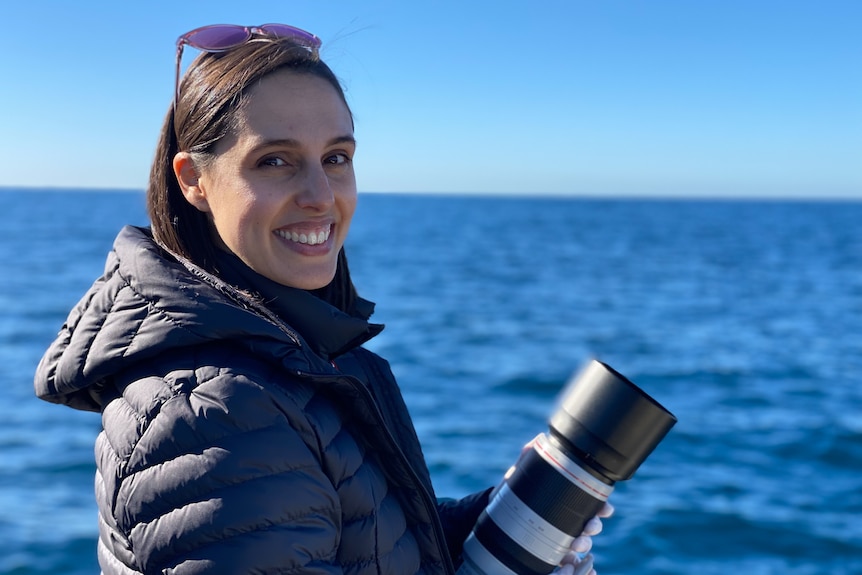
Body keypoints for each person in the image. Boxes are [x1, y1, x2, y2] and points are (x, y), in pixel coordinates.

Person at [34, 24, 611, 575]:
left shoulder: (295, 355)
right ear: (194, 181)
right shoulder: (210, 414)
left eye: (336, 158)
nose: (319, 196)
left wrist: (507, 516)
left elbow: (363, 544)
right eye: (275, 161)